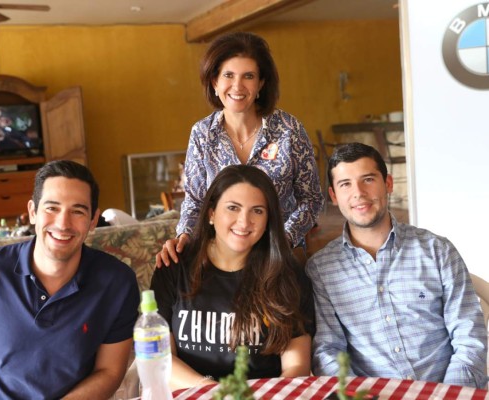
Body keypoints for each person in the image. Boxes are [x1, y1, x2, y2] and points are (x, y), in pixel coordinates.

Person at [306, 142, 487, 388]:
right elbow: (329, 350)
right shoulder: (321, 268)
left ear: (388, 184)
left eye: (368, 179)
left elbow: (469, 337)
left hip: (447, 390)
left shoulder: (437, 250)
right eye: (345, 184)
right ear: (334, 197)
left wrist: (448, 394)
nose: (358, 192)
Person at [0, 160, 140, 399]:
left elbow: (110, 371)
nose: (63, 224)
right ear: (33, 212)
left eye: (77, 211)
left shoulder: (117, 282)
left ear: (93, 221)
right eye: (52, 208)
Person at [156, 31, 323, 267]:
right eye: (228, 75)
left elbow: (312, 199)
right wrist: (184, 236)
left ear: (261, 83)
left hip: (279, 259)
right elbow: (195, 201)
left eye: (248, 76)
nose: (237, 86)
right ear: (215, 82)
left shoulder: (289, 129)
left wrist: (282, 241)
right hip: (222, 258)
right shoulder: (202, 133)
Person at [151, 165, 315, 390]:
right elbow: (159, 360)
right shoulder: (173, 267)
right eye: (233, 208)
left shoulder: (287, 274)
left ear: (269, 218)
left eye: (257, 210)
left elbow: (296, 367)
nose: (244, 221)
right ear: (211, 213)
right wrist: (217, 393)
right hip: (194, 394)